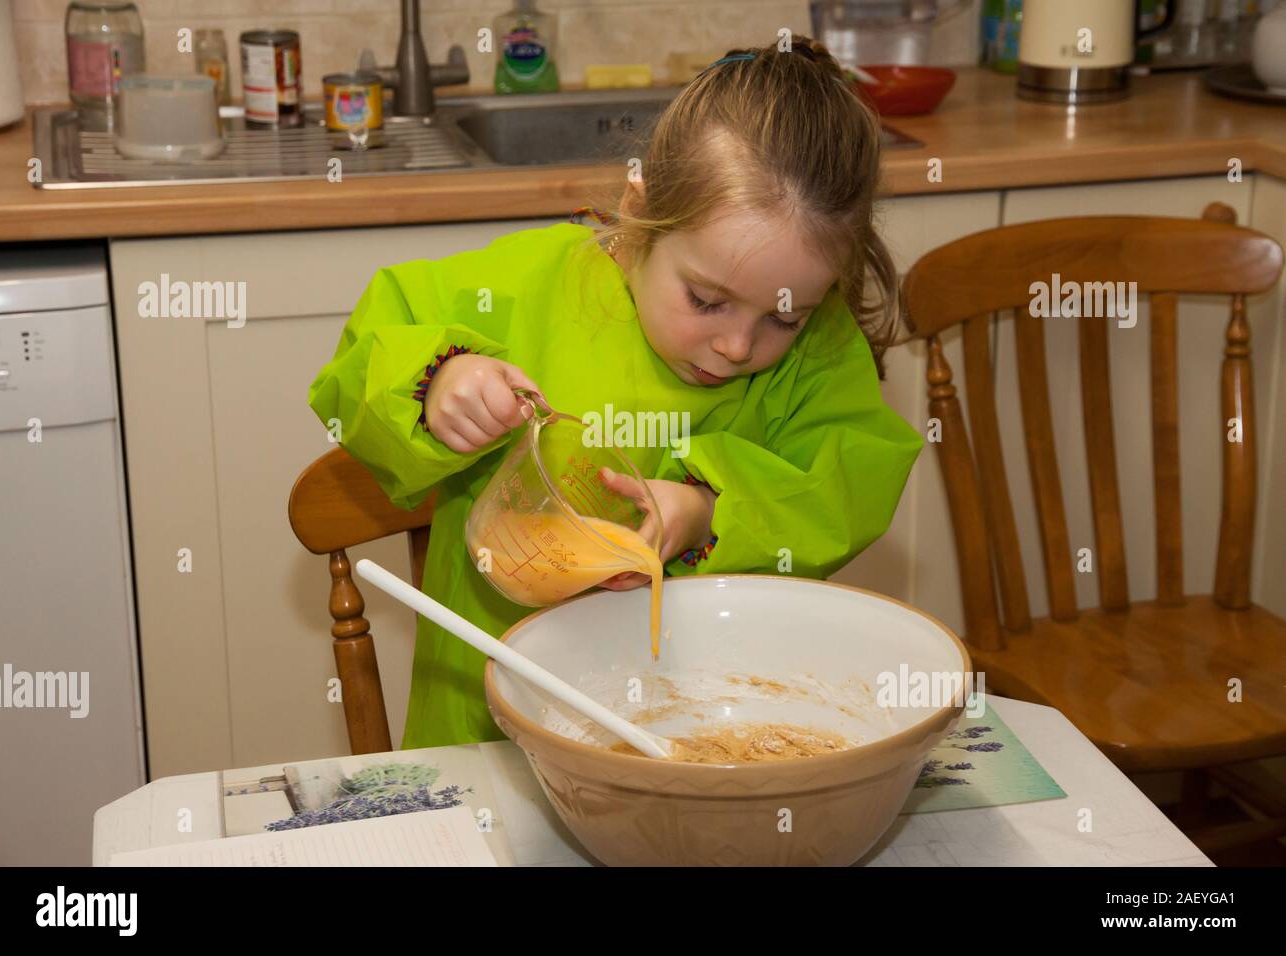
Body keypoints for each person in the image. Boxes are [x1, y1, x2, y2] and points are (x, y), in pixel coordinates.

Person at [307, 36, 924, 749]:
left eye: (784, 316)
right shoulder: (527, 286)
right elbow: (360, 361)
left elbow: (846, 479)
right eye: (706, 300)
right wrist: (439, 378)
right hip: (487, 727)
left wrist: (704, 509)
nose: (738, 346)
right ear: (639, 219)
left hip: (703, 719)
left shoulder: (819, 352)